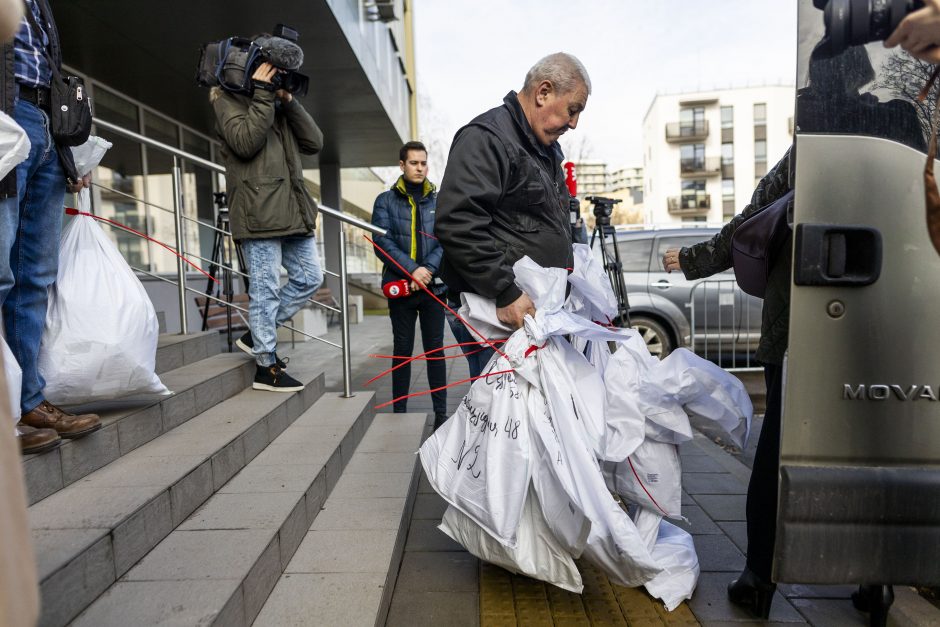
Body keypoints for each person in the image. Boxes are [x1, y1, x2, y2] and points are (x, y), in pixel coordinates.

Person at [436, 52, 591, 346]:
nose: (574, 124)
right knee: (498, 393)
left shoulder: (544, 149)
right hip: (500, 313)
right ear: (543, 92)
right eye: (573, 109)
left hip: (531, 313)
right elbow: (458, 223)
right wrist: (504, 291)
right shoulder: (487, 138)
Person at [2, 0, 101, 455]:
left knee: (35, 277)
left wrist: (70, 151)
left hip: (44, 124)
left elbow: (48, 70)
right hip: (7, 117)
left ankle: (27, 401)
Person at [212, 31, 324, 392]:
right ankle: (266, 367)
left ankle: (257, 334)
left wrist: (288, 102)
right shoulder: (224, 99)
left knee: (310, 277)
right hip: (258, 212)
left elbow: (314, 142)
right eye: (272, 71)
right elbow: (245, 143)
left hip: (291, 209)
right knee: (265, 289)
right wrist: (263, 97)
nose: (275, 78)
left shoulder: (276, 104)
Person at [371, 141, 448, 427]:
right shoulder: (385, 201)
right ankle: (399, 413)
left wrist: (427, 270)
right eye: (414, 163)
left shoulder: (438, 201)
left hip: (433, 289)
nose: (420, 168)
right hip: (401, 289)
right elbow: (381, 242)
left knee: (435, 351)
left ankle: (441, 414)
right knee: (402, 350)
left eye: (423, 163)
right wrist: (412, 270)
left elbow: (446, 240)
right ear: (402, 166)